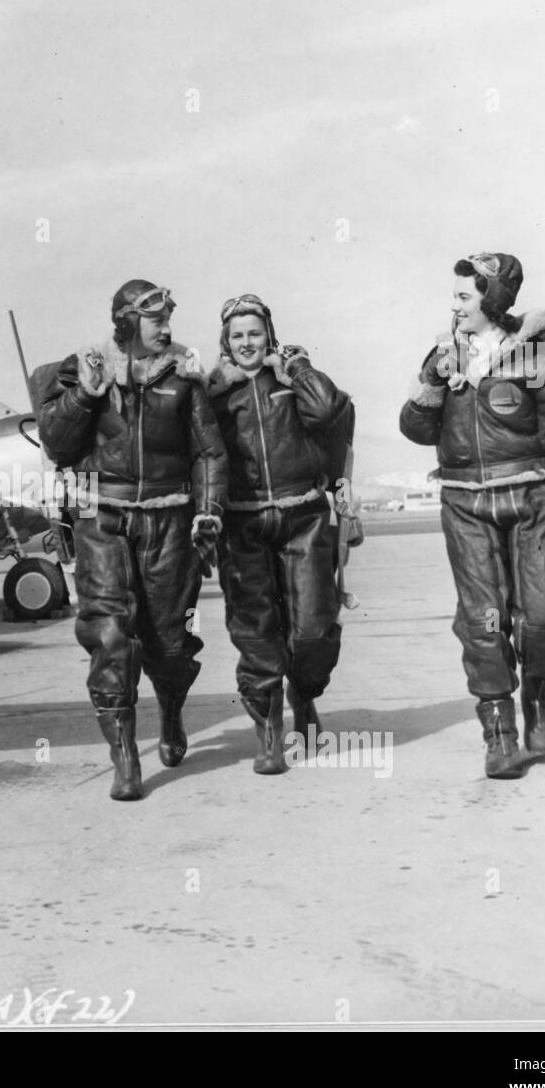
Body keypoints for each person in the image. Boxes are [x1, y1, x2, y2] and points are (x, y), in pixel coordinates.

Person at [399, 252, 545, 779]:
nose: (455, 306)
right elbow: (416, 430)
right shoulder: (445, 355)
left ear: (493, 300)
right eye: (455, 296)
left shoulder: (539, 359)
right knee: (483, 620)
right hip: (465, 506)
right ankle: (500, 734)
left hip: (533, 500)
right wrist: (430, 382)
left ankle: (538, 692)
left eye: (465, 296)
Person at [31, 279, 227, 801]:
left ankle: (170, 710)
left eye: (169, 318)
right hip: (102, 518)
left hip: (168, 519)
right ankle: (125, 757)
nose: (166, 328)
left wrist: (207, 512)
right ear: (125, 323)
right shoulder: (88, 369)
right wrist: (86, 393)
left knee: (168, 642)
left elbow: (208, 453)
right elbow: (57, 443)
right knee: (110, 636)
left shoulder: (185, 378)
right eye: (155, 319)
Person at [207, 294, 352, 774]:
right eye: (237, 335)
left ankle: (305, 697)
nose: (247, 343)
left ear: (269, 335)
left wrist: (299, 368)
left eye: (255, 333)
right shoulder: (213, 395)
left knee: (312, 628)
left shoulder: (291, 380)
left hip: (303, 516)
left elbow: (331, 411)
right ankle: (268, 729)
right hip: (242, 524)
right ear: (226, 343)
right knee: (256, 634)